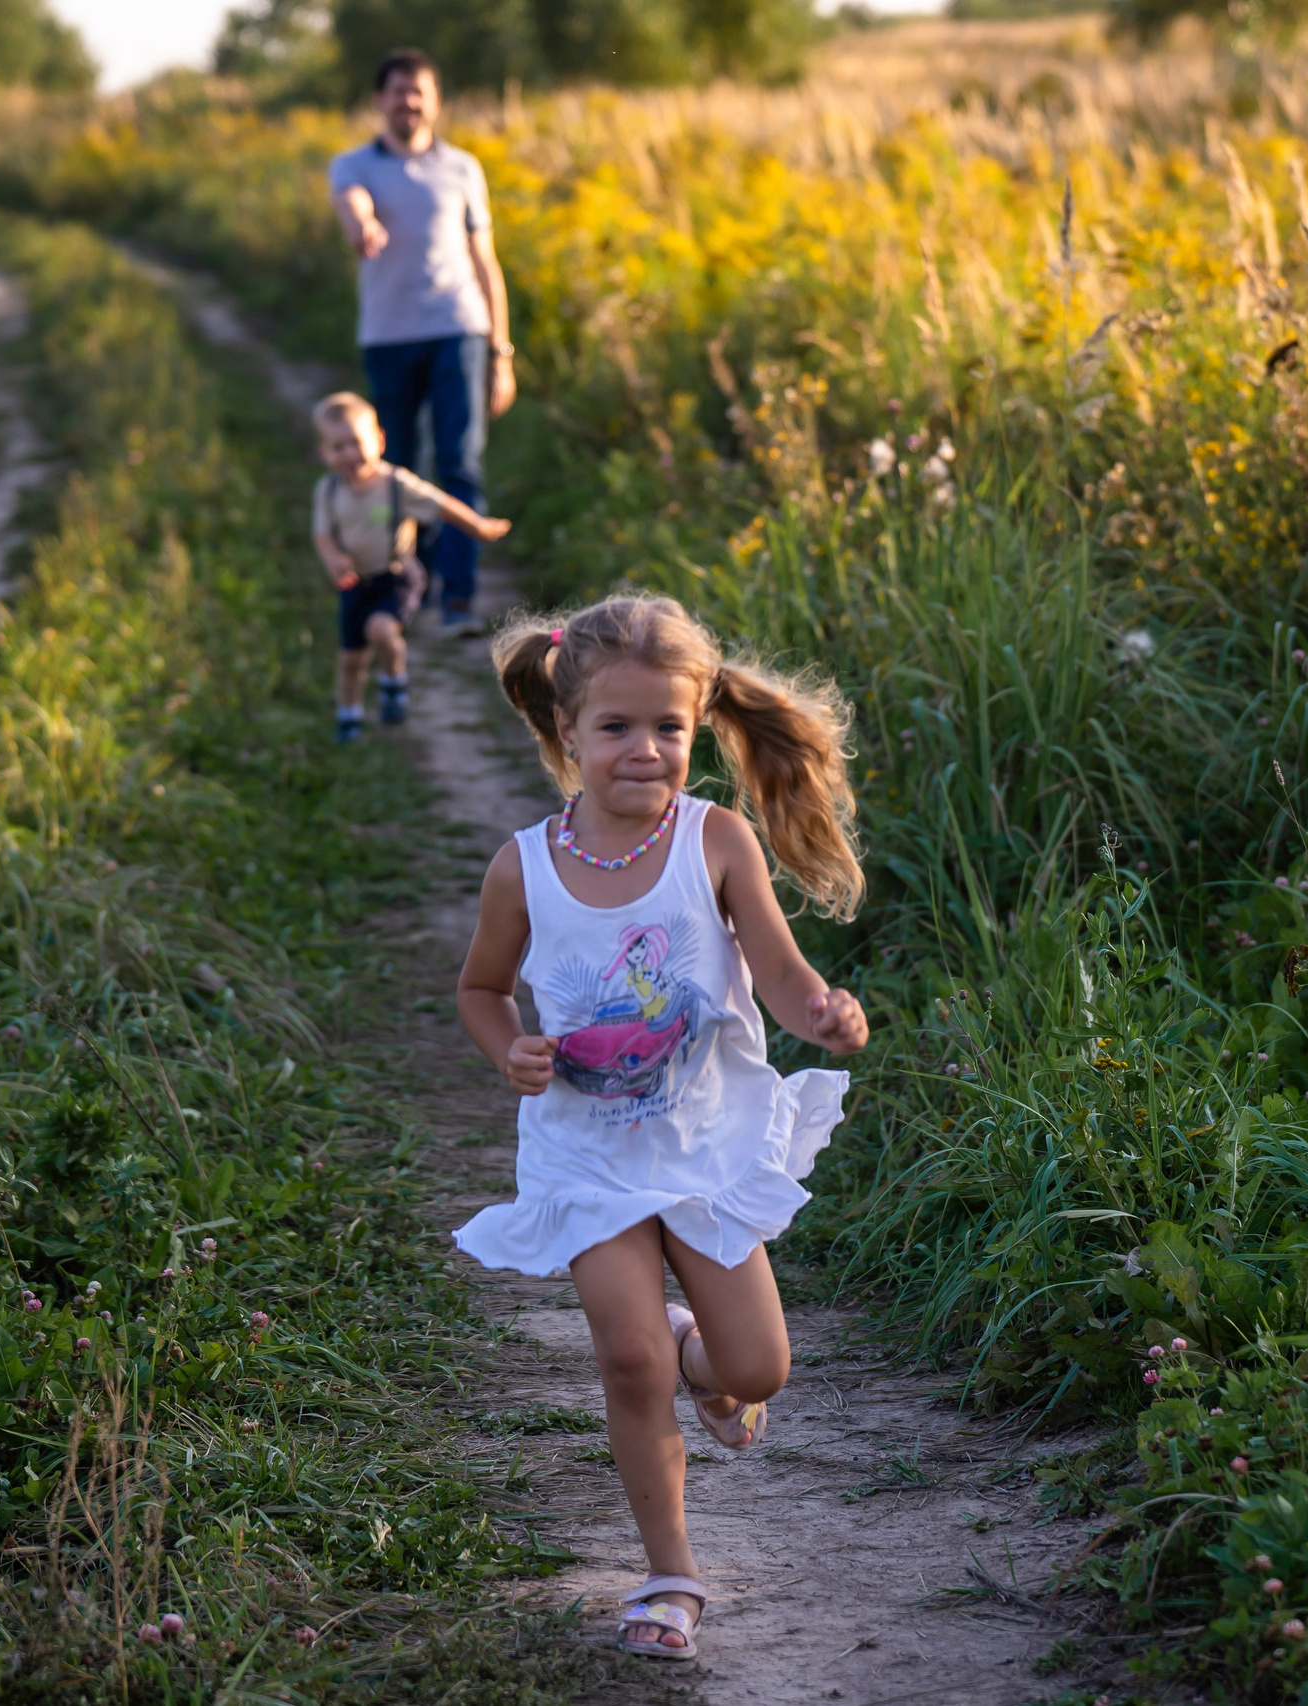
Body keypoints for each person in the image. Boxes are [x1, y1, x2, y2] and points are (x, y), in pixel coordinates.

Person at [452, 595, 871, 1660]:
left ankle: (705, 1359)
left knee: (759, 1367)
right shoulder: (527, 866)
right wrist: (510, 1049)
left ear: (695, 728)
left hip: (705, 1142)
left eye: (668, 729)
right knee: (625, 1357)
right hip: (586, 1155)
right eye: (615, 728)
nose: (644, 750)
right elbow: (481, 988)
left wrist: (818, 1008)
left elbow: (776, 970)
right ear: (566, 732)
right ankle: (670, 1573)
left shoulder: (715, 839)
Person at [327, 47, 515, 638]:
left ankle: (457, 599)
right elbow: (351, 205)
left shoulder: (462, 168)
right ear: (380, 100)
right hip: (388, 335)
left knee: (460, 462)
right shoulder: (353, 164)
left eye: (419, 92)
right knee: (397, 464)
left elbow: (484, 260)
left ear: (435, 102)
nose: (408, 101)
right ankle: (406, 586)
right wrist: (364, 225)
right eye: (398, 91)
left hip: (459, 329)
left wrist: (501, 352)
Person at [312, 392, 510, 743]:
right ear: (323, 452)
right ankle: (349, 718)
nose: (348, 455)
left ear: (379, 440)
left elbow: (441, 504)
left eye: (356, 443)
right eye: (337, 447)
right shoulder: (328, 491)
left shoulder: (396, 484)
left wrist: (477, 526)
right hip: (356, 583)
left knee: (380, 630)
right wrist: (333, 559)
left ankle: (393, 679)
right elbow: (323, 534)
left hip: (396, 577)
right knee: (351, 660)